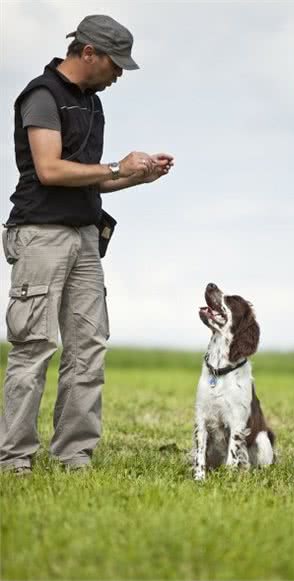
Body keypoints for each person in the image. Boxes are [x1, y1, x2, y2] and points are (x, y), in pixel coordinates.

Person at [0, 14, 174, 475]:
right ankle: (14, 460)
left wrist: (137, 176)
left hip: (83, 236)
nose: (119, 74)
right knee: (34, 348)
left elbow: (90, 180)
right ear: (89, 52)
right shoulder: (42, 96)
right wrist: (118, 166)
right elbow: (50, 171)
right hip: (40, 236)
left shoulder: (92, 103)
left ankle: (74, 457)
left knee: (89, 348)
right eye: (115, 64)